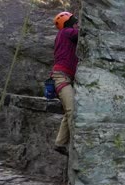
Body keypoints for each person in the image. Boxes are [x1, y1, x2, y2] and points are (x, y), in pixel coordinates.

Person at [51, 12, 79, 156]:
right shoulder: (66, 32)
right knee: (72, 110)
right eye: (75, 21)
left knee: (68, 110)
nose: (77, 24)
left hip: (63, 76)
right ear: (69, 24)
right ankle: (76, 143)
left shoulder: (63, 34)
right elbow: (80, 34)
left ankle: (60, 143)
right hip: (62, 77)